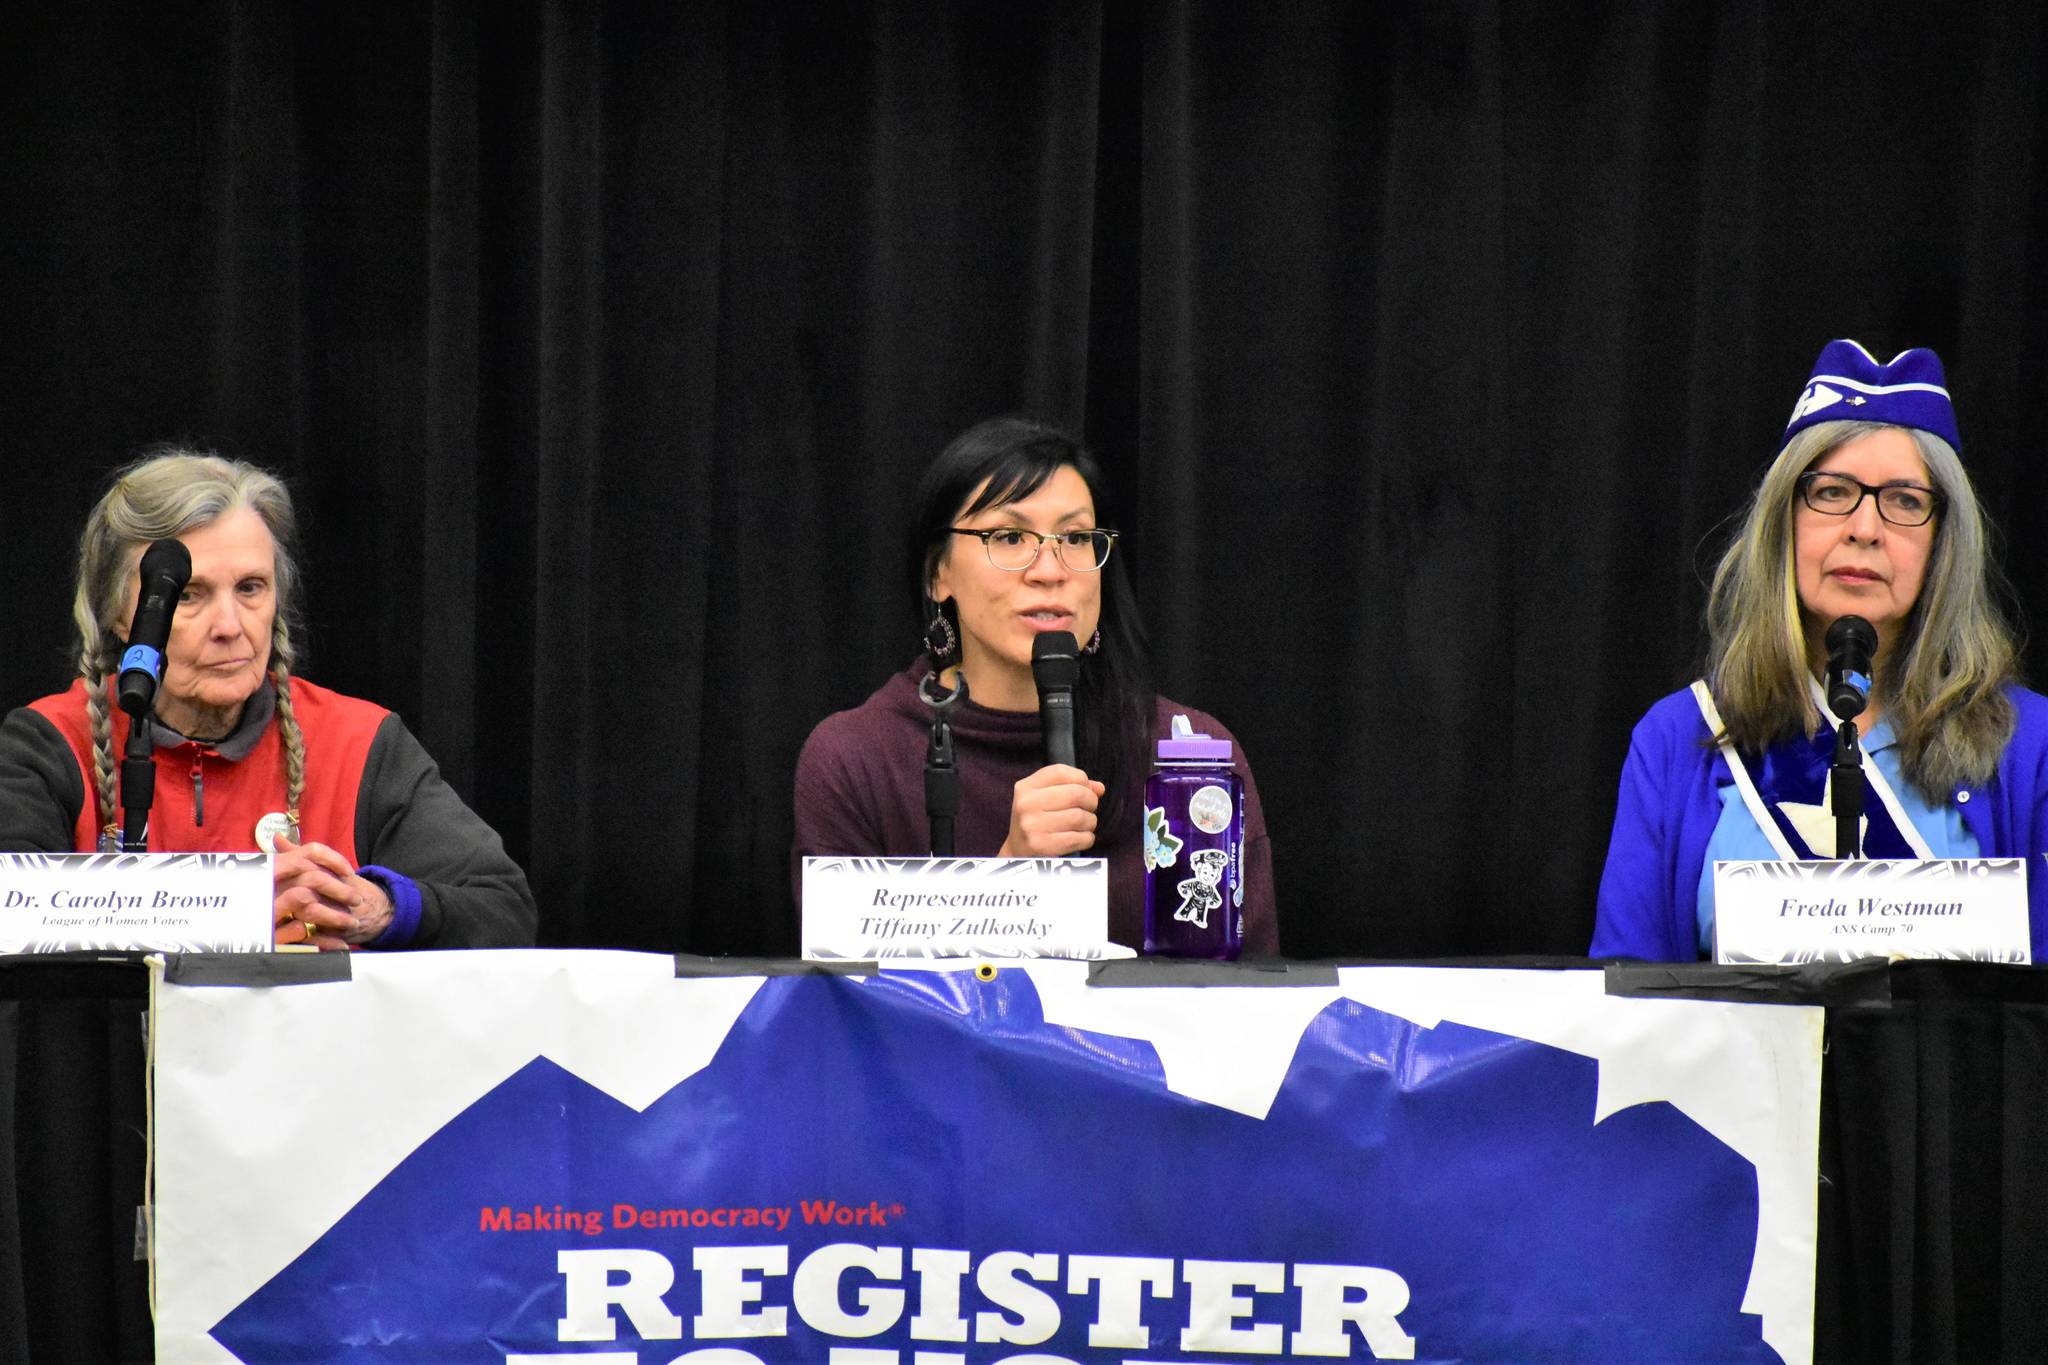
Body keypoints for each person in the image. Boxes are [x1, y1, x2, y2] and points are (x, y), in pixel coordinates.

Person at [1590, 340, 2048, 961]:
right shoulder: (1676, 741)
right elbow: (1625, 1019)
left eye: (1905, 501)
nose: (1864, 528)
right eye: (1832, 492)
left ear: (1945, 545)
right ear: (1785, 521)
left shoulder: (2031, 746)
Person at [0, 448, 538, 949]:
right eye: (189, 596)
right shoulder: (48, 743)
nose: (230, 626)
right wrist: (237, 911)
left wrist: (379, 909)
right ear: (118, 614)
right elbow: (10, 912)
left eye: (251, 588)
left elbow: (504, 909)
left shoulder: (356, 739)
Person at [793, 416, 1277, 953]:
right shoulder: (856, 759)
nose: (1050, 570)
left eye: (1074, 538)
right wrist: (1011, 883)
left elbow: (1246, 1010)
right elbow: (851, 1014)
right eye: (1009, 536)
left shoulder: (1189, 755)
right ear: (938, 573)